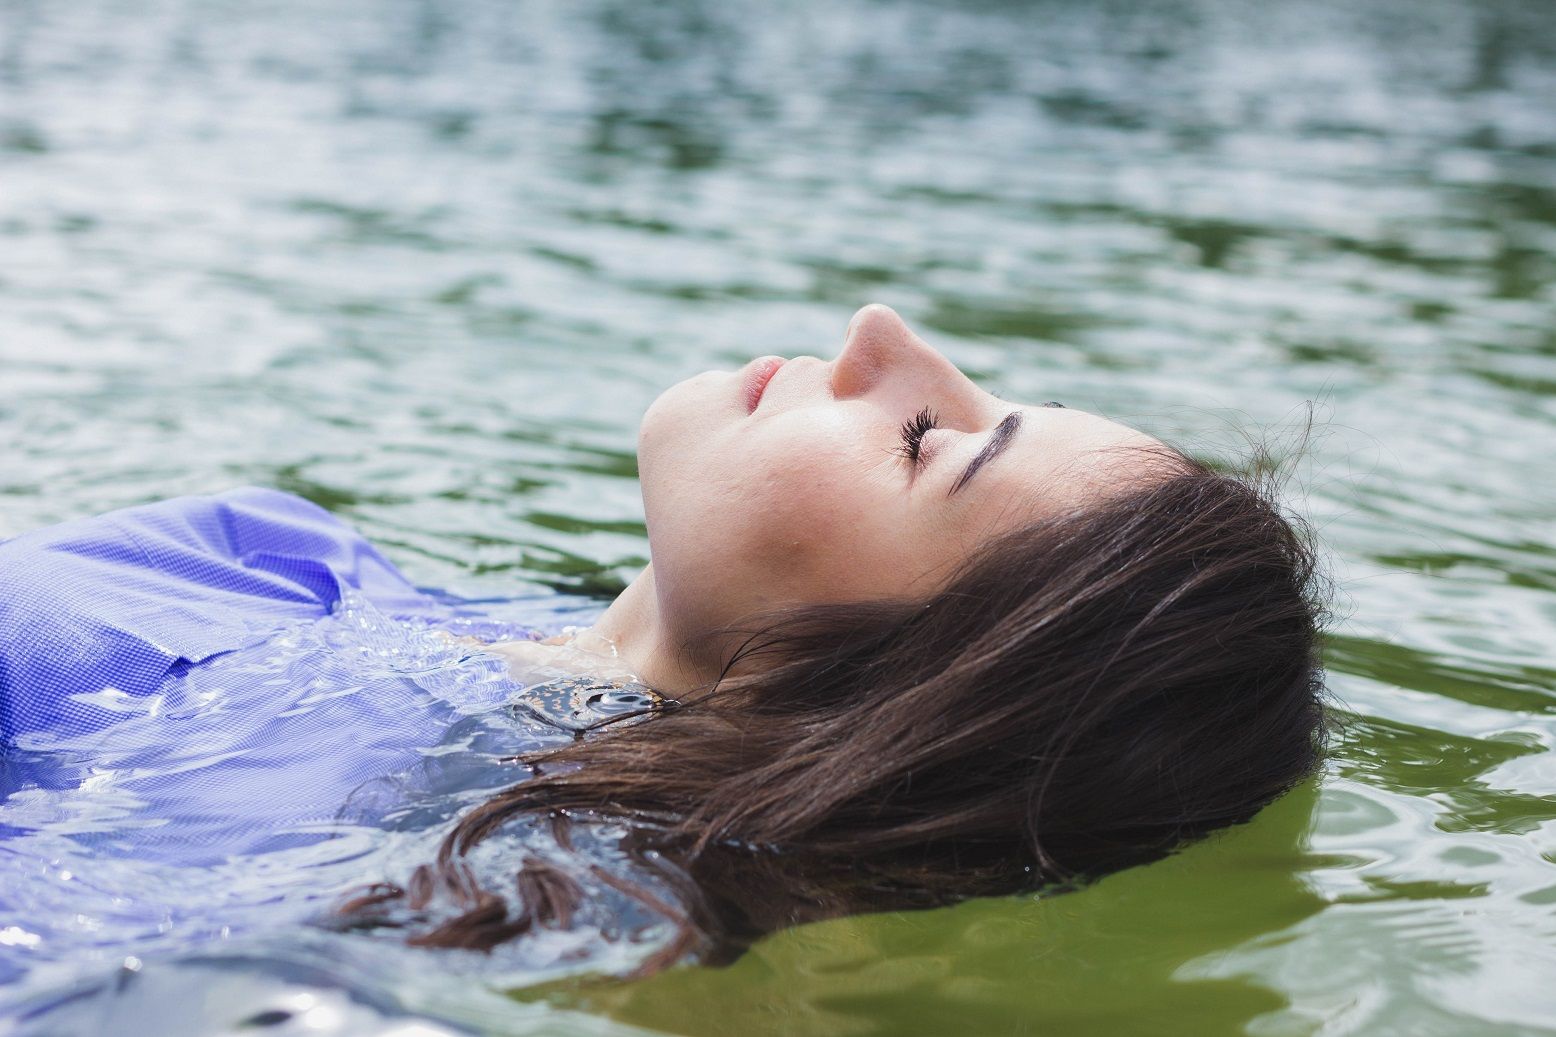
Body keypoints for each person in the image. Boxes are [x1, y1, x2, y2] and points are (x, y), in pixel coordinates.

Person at [0, 304, 1329, 981]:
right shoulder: (305, 560)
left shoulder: (381, 819)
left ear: (873, 709)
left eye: (930, 442)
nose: (882, 333)